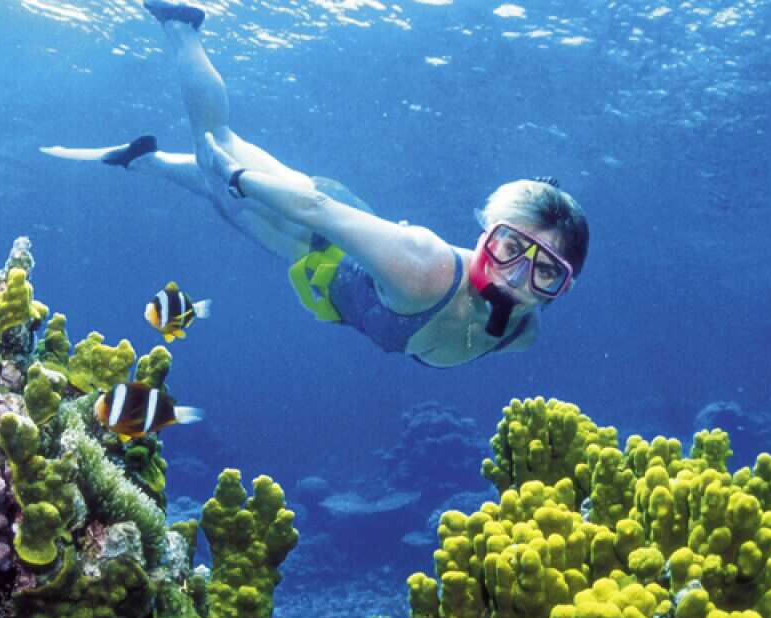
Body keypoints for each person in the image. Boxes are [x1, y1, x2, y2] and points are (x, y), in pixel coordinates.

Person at [41, 0, 590, 368]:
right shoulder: (424, 267)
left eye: (546, 272)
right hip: (313, 235)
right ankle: (179, 26)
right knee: (219, 147)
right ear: (487, 233)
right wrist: (238, 177)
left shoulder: (522, 332)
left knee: (220, 197)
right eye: (511, 248)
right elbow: (317, 208)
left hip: (336, 248)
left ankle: (141, 160)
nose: (517, 277)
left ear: (564, 289)